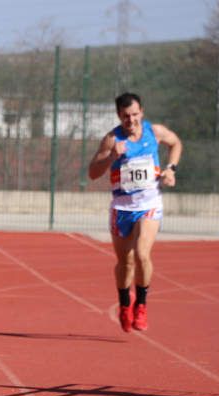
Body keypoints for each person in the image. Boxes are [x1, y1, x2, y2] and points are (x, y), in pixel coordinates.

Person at [88, 92, 182, 333]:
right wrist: (111, 156)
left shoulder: (155, 132)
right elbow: (92, 172)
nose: (131, 120)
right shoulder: (112, 139)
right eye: (126, 116)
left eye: (135, 114)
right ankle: (124, 304)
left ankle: (141, 305)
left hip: (149, 203)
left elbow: (176, 143)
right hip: (122, 207)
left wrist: (170, 169)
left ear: (142, 112)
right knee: (125, 262)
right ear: (119, 115)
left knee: (141, 253)